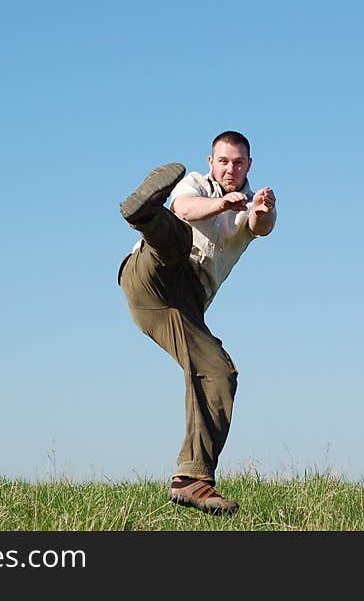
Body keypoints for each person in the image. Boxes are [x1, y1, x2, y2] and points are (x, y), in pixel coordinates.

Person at [116, 130, 277, 515]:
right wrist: (222, 204)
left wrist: (262, 209)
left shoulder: (251, 202)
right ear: (211, 162)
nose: (230, 169)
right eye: (223, 161)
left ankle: (193, 480)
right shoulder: (197, 184)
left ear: (249, 166)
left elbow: (260, 226)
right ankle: (145, 213)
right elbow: (185, 208)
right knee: (177, 235)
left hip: (183, 305)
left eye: (238, 162)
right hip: (151, 274)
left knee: (219, 372)